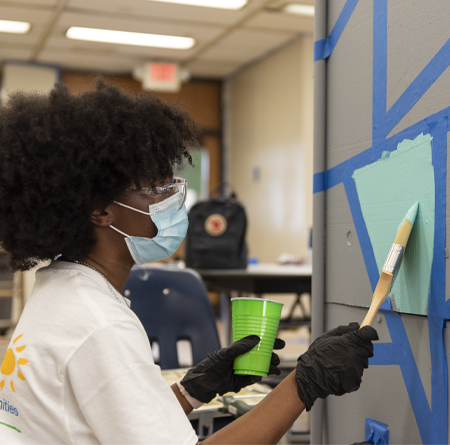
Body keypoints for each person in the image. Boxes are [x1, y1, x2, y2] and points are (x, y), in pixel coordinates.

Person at [0, 80, 378, 444]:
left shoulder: (58, 292)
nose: (173, 201)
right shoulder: (99, 325)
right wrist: (302, 384)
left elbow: (119, 423)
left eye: (172, 185)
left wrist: (192, 390)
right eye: (157, 190)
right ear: (100, 210)